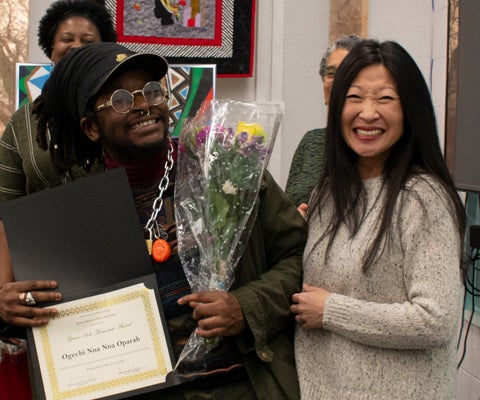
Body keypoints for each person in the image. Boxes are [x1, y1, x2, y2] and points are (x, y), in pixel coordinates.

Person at [1, 42, 306, 399]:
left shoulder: (228, 169)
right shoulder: (72, 214)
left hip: (241, 387)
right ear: (91, 128)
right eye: (120, 99)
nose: (144, 105)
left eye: (151, 91)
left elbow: (301, 256)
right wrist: (11, 308)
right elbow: (55, 321)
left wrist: (246, 306)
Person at [291, 39, 466, 399]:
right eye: (354, 98)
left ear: (410, 109)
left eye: (385, 98)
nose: (368, 113)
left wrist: (332, 311)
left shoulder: (422, 198)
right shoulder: (329, 192)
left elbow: (436, 320)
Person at [0, 0, 117, 203]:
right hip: (40, 233)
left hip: (120, 229)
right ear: (51, 49)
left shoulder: (120, 108)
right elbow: (5, 206)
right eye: (66, 39)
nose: (77, 47)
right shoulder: (23, 123)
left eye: (88, 41)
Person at [285, 34, 361, 213]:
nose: (337, 81)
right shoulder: (312, 141)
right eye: (331, 73)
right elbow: (287, 205)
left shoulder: (368, 142)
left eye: (347, 73)